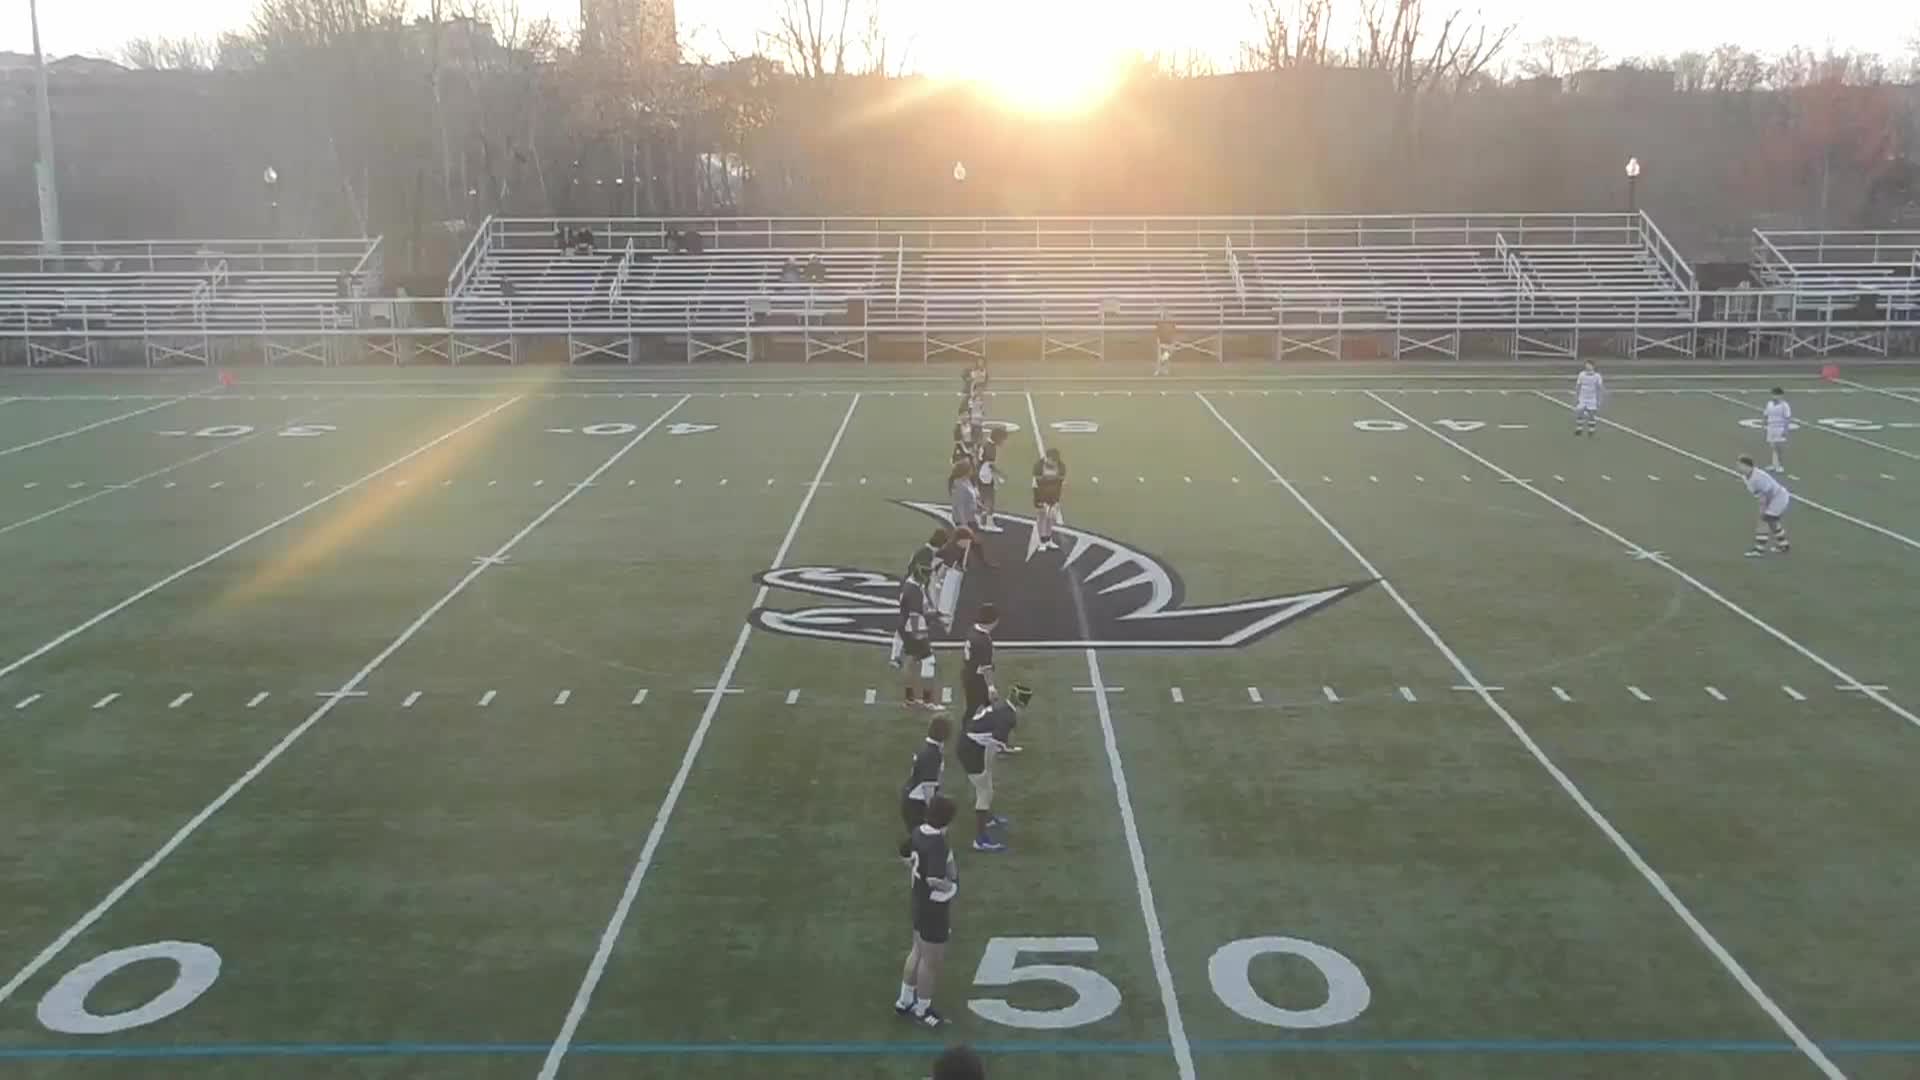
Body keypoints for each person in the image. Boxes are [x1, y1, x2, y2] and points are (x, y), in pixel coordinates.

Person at [897, 794, 959, 1027]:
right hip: (933, 908)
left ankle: (904, 1001)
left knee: (916, 951)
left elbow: (904, 854)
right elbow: (934, 878)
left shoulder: (918, 832)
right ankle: (922, 1010)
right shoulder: (938, 844)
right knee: (930, 962)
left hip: (918, 903)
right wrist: (952, 887)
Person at [959, 683, 1031, 852]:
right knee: (985, 792)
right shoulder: (1009, 717)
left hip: (973, 743)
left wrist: (1003, 750)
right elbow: (997, 741)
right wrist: (1005, 750)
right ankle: (980, 840)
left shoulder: (1002, 706)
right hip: (971, 749)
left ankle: (988, 818)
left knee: (986, 783)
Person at [892, 562, 942, 710]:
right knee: (928, 661)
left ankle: (909, 699)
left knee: (910, 661)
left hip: (904, 627)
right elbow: (914, 615)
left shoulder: (909, 584)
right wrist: (918, 634)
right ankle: (928, 701)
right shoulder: (914, 590)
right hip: (912, 628)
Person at [900, 714, 950, 858]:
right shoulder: (932, 755)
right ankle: (908, 856)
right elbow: (928, 787)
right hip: (916, 804)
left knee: (922, 837)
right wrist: (933, 811)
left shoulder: (927, 748)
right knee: (924, 837)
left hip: (912, 798)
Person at [958, 603, 999, 742]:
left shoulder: (973, 631)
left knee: (981, 707)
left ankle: (983, 732)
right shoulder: (983, 640)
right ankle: (971, 734)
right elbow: (986, 667)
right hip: (977, 679)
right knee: (977, 707)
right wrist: (991, 687)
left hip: (968, 674)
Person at [1738, 454, 1792, 557]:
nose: (1738, 467)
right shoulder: (1746, 477)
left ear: (1747, 466)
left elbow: (1767, 493)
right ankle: (1784, 545)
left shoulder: (1758, 477)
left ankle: (1759, 549)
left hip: (1778, 498)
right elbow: (1758, 493)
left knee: (1763, 520)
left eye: (1740, 465)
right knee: (1772, 521)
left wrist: (1763, 508)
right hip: (1773, 497)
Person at [1032, 447, 1067, 552]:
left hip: (1053, 495)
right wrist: (1040, 500)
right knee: (1042, 516)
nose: (1052, 463)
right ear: (1047, 458)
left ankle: (1048, 538)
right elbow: (1037, 485)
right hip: (1041, 493)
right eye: (1051, 460)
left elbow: (1059, 484)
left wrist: (1056, 500)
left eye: (1054, 461)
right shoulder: (1039, 466)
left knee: (1051, 518)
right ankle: (1042, 540)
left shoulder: (1061, 466)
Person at [977, 428, 1004, 533]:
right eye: (1002, 439)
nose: (1003, 442)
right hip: (985, 474)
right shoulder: (991, 448)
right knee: (990, 499)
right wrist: (999, 476)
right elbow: (990, 465)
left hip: (980, 473)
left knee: (983, 498)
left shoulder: (985, 444)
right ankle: (989, 523)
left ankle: (981, 522)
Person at [1763, 387, 1792, 473]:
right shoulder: (1769, 403)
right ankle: (1774, 464)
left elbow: (1787, 418)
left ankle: (1780, 465)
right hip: (1771, 427)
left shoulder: (1784, 405)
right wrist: (1764, 423)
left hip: (1779, 427)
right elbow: (1766, 414)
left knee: (1779, 447)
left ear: (1781, 396)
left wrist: (1786, 429)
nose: (1775, 396)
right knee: (1772, 446)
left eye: (1777, 395)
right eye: (1773, 394)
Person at [1573, 360, 1605, 437]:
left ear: (1593, 366)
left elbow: (1599, 388)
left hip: (1592, 398)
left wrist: (1599, 399)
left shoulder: (1597, 376)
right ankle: (1579, 429)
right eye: (1586, 365)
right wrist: (1576, 397)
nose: (1587, 366)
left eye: (1589, 365)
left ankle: (1591, 430)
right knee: (1579, 412)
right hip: (1582, 397)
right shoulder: (1581, 374)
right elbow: (1578, 386)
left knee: (1592, 414)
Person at [949, 460, 981, 534]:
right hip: (964, 520)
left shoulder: (967, 481)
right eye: (971, 469)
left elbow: (970, 496)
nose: (972, 471)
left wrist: (978, 504)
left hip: (971, 517)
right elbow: (960, 506)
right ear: (965, 471)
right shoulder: (959, 486)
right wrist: (964, 525)